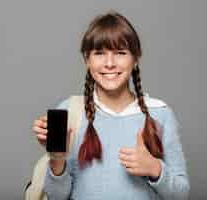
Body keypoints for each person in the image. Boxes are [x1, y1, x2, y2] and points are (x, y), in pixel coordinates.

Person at [32, 11, 190, 200]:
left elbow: (181, 194)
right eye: (99, 53)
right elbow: (56, 196)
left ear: (136, 58)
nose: (109, 63)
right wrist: (57, 158)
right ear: (86, 59)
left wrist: (155, 169)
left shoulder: (160, 113)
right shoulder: (68, 111)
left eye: (120, 53)